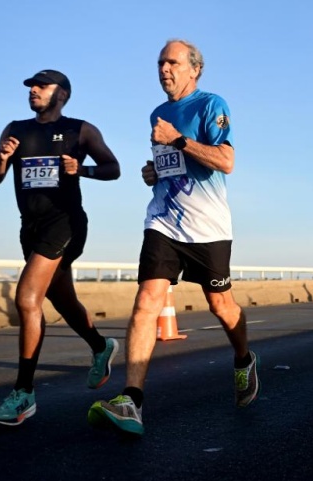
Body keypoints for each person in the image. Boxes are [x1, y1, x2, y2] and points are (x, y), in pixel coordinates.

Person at [88, 39, 258, 437]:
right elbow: (173, 164)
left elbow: (226, 161)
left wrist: (178, 140)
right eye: (160, 63)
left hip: (208, 228)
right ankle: (132, 400)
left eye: (172, 62)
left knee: (221, 306)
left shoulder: (211, 105)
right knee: (147, 300)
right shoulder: (158, 114)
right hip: (164, 221)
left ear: (194, 69)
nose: (164, 69)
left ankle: (243, 358)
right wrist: (155, 171)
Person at [0, 69, 121, 426]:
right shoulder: (15, 129)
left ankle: (23, 393)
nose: (33, 91)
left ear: (62, 93)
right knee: (61, 299)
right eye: (31, 87)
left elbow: (112, 168)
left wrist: (82, 170)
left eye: (41, 86)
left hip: (67, 223)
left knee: (28, 298)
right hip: (30, 228)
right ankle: (99, 345)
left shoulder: (81, 130)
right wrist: (1, 157)